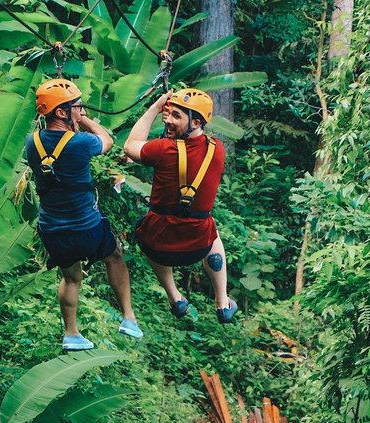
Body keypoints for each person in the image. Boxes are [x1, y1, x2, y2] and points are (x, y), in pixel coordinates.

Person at [26, 78, 143, 350]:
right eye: (77, 106)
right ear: (61, 112)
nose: (80, 110)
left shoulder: (31, 143)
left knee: (71, 277)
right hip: (86, 227)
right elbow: (107, 141)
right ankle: (128, 317)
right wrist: (86, 120)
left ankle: (71, 333)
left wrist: (75, 113)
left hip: (53, 230)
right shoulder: (80, 143)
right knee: (114, 256)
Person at [123, 88, 238, 323]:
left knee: (146, 228)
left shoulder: (163, 149)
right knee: (211, 227)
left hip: (160, 246)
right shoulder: (217, 149)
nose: (168, 120)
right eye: (168, 114)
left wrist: (156, 108)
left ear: (196, 121)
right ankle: (222, 301)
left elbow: (130, 145)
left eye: (176, 116)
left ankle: (174, 296)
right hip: (198, 244)